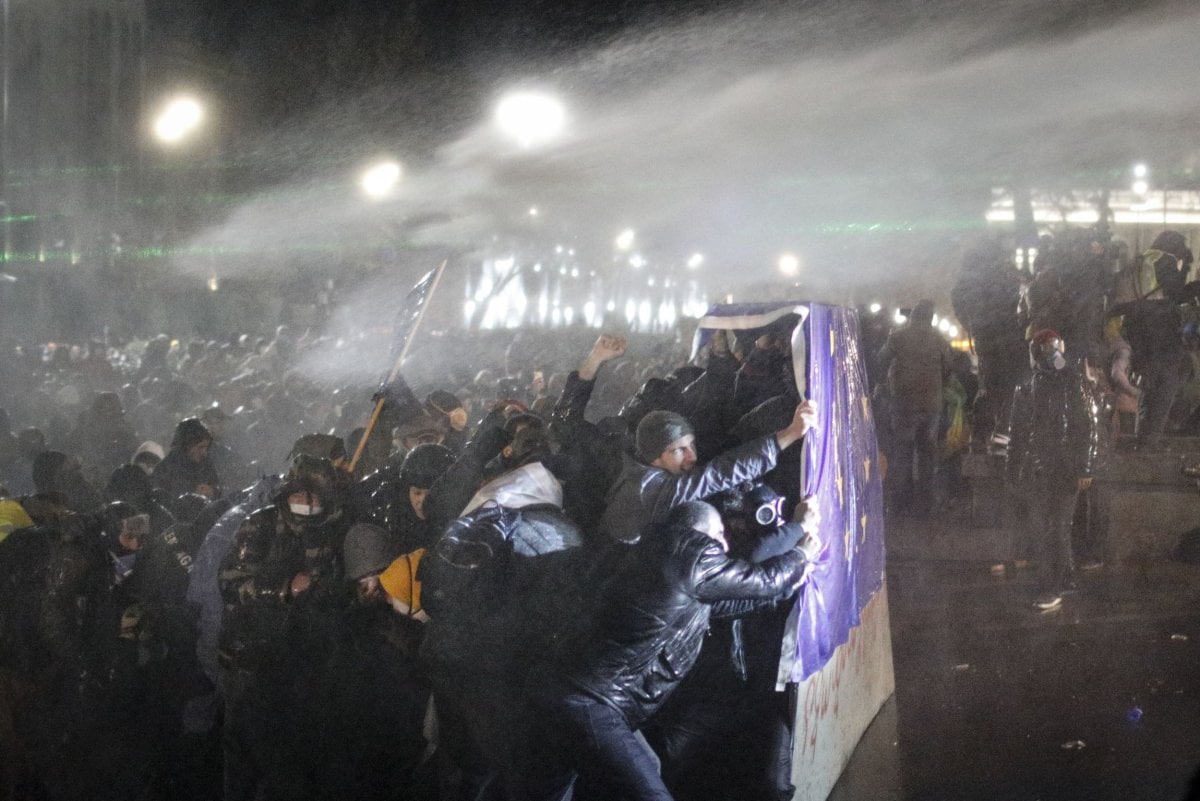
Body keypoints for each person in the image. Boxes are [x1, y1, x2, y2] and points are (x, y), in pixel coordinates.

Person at [517, 500, 810, 801]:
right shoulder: (688, 553)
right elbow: (763, 579)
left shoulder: (663, 562)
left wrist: (790, 586)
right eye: (719, 533)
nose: (725, 543)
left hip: (563, 696)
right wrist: (802, 550)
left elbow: (735, 601)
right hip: (589, 704)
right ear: (697, 534)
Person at [600, 401, 816, 543]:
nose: (692, 456)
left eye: (691, 445)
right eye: (678, 450)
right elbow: (716, 476)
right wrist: (790, 434)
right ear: (655, 457)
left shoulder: (643, 469)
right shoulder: (648, 490)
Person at [999, 330, 1099, 610]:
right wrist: (1013, 469)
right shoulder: (1027, 387)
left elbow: (1088, 427)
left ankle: (1052, 586)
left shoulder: (1072, 383)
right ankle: (1062, 580)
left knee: (1055, 527)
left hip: (1064, 468)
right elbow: (1017, 433)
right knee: (1051, 527)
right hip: (1039, 469)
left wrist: (1085, 466)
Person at [877, 299, 952, 516]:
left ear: (913, 316)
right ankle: (926, 505)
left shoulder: (898, 337)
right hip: (931, 406)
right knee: (928, 454)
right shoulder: (939, 339)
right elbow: (948, 368)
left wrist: (884, 385)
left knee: (903, 453)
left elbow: (881, 360)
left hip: (904, 404)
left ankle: (900, 504)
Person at [154, 417, 221, 500]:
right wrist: (192, 493)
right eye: (200, 447)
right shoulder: (164, 470)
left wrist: (212, 492)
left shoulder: (206, 465)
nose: (204, 452)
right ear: (186, 446)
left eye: (206, 448)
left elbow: (218, 490)